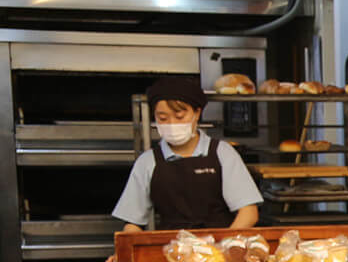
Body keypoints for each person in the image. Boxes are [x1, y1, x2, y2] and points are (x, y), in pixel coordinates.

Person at [111, 75, 262, 233]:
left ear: (197, 113)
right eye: (162, 118)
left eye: (179, 117)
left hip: (219, 248)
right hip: (171, 249)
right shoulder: (147, 162)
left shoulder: (222, 153)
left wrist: (224, 245)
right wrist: (126, 250)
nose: (171, 124)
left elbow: (248, 213)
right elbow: (132, 224)